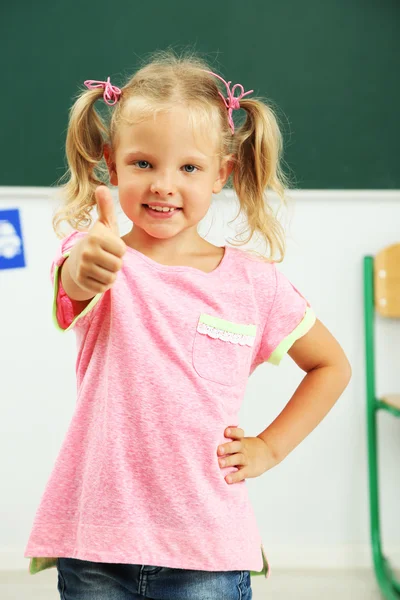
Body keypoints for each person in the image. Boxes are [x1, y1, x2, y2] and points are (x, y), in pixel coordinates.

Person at [24, 50, 351, 600]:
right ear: (111, 163)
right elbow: (74, 282)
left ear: (222, 173)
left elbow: (330, 365)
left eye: (190, 168)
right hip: (96, 547)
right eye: (143, 164)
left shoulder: (255, 283)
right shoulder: (94, 252)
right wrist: (84, 268)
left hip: (208, 550)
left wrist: (269, 448)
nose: (163, 185)